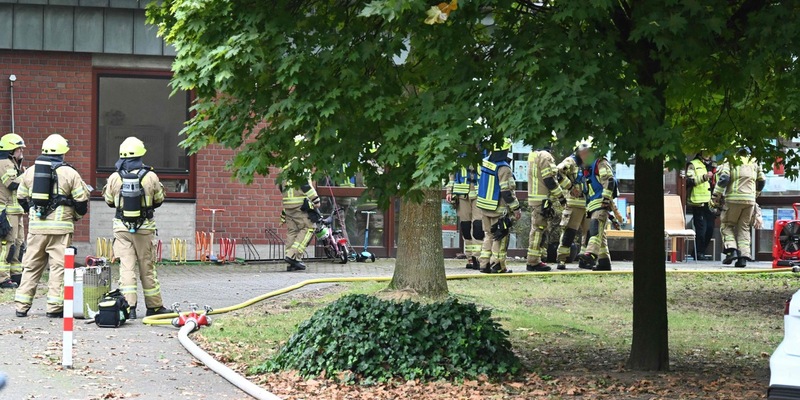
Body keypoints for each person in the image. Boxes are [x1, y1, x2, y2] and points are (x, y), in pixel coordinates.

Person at [14, 134, 89, 318]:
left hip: (36, 229)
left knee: (31, 266)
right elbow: (81, 201)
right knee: (58, 267)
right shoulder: (70, 173)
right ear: (63, 152)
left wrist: (33, 214)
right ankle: (54, 308)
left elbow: (21, 197)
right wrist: (75, 217)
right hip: (60, 230)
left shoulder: (30, 171)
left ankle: (21, 306)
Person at [101, 137, 170, 319]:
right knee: (147, 267)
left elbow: (109, 201)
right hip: (144, 229)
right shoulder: (150, 176)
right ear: (141, 155)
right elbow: (159, 199)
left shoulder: (115, 177)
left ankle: (129, 308)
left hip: (122, 229)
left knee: (126, 268)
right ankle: (154, 307)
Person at [711, 148, 765, 268]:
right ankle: (743, 257)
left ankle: (731, 251)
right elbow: (762, 181)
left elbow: (724, 179)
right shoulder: (754, 161)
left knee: (727, 225)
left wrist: (716, 196)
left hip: (733, 200)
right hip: (750, 201)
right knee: (744, 228)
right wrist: (755, 194)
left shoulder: (730, 160)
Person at [476, 138, 521, 274]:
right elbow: (506, 192)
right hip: (498, 208)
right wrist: (516, 208)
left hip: (484, 206)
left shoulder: (485, 163)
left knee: (488, 234)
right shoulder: (504, 168)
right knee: (499, 236)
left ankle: (484, 264)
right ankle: (497, 265)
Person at [526, 143, 566, 272]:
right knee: (538, 231)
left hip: (535, 198)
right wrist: (561, 196)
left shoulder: (533, 155)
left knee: (537, 230)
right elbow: (549, 180)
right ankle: (533, 261)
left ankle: (537, 258)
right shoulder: (545, 156)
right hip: (542, 199)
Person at [576, 145, 616, 271]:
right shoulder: (586, 169)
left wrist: (606, 199)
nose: (582, 157)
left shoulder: (601, 163)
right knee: (600, 235)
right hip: (593, 205)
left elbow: (610, 181)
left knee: (594, 228)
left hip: (601, 204)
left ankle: (591, 254)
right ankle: (604, 262)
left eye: (583, 154)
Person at [554, 139, 592, 270]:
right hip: (574, 204)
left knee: (588, 234)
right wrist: (570, 187)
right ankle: (562, 259)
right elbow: (557, 172)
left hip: (588, 204)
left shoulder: (589, 163)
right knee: (569, 233)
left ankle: (584, 259)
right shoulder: (570, 162)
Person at [0, 134, 26, 289]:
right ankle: (3, 278)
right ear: (11, 150)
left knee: (18, 244)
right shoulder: (4, 163)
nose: (21, 151)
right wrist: (28, 176)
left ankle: (15, 275)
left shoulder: (13, 164)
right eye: (19, 148)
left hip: (16, 212)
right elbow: (11, 184)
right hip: (7, 212)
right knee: (7, 245)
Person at [281, 173, 321, 271]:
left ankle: (292, 262)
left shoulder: (284, 168)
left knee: (293, 231)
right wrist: (316, 200)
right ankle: (293, 255)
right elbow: (305, 185)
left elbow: (280, 186)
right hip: (300, 205)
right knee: (310, 227)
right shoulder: (301, 165)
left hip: (288, 205)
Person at [446, 165, 483, 270]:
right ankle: (470, 257)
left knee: (478, 226)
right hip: (462, 195)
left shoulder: (485, 151)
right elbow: (452, 173)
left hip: (479, 193)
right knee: (465, 227)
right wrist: (449, 191)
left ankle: (478, 257)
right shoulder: (459, 153)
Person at [686, 151, 716, 260]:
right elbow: (689, 181)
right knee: (701, 230)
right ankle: (699, 253)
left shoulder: (713, 165)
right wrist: (704, 177)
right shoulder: (693, 164)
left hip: (710, 202)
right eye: (706, 152)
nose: (708, 155)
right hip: (698, 201)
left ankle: (698, 252)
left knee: (710, 228)